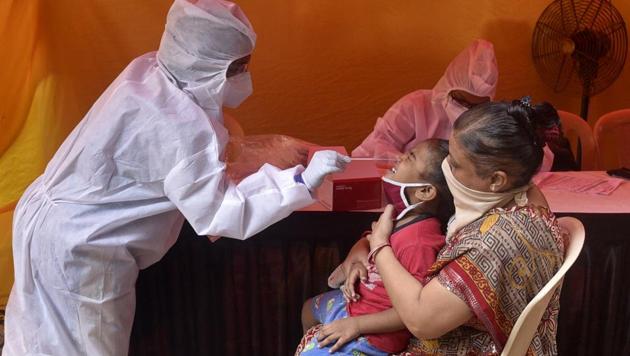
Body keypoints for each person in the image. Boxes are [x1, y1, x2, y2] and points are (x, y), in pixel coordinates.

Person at [3, 1, 349, 355]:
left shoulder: (150, 71)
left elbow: (190, 152)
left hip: (45, 221)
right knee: (84, 347)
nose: (245, 77)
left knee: (33, 341)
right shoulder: (181, 125)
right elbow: (223, 213)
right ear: (207, 64)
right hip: (84, 246)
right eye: (238, 68)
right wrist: (302, 182)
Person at [365, 99, 565, 355]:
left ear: (496, 180)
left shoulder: (491, 243)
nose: (445, 168)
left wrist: (379, 245)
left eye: (456, 164)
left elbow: (421, 321)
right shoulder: (530, 198)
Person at [296, 139, 454, 355]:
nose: (399, 157)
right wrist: (359, 256)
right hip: (355, 304)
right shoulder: (400, 215)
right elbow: (371, 239)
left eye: (410, 157)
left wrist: (357, 325)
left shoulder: (420, 242)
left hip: (374, 332)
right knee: (308, 310)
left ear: (425, 191)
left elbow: (409, 311)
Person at [351, 39, 498, 159]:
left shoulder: (487, 123)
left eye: (475, 107)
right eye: (461, 102)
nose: (465, 110)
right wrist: (411, 168)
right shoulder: (416, 106)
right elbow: (377, 146)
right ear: (448, 87)